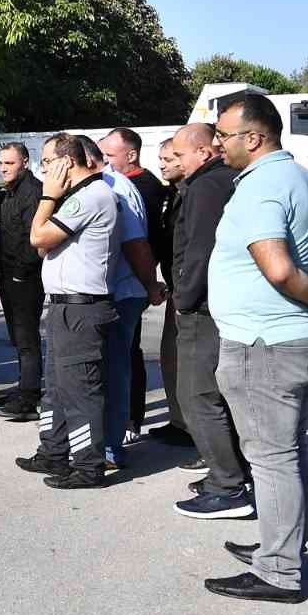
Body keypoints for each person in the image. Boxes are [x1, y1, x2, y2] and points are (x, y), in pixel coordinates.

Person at [203, 94, 308, 604]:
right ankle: (282, 546)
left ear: (254, 138)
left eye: (224, 135)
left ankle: (278, 569)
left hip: (264, 344)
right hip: (288, 340)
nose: (216, 143)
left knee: (272, 457)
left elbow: (277, 268)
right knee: (290, 450)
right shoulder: (303, 179)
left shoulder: (261, 188)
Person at [17, 132, 119, 489]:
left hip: (81, 309)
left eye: (48, 162)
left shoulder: (91, 195)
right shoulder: (76, 198)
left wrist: (48, 196)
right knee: (57, 388)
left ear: (66, 162)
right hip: (64, 306)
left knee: (80, 392)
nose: (44, 169)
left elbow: (38, 239)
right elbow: (44, 244)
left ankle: (88, 466)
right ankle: (54, 452)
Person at [167, 122, 249, 519]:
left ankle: (227, 486)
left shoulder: (204, 187)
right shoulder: (222, 181)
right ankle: (232, 472)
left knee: (198, 397)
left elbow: (199, 249)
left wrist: (183, 299)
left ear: (202, 152)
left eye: (180, 154)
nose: (174, 161)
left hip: (202, 309)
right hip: (215, 304)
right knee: (213, 396)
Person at [84, 135, 164, 469]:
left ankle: (112, 446)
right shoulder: (102, 185)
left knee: (116, 369)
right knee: (105, 369)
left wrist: (149, 285)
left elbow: (137, 244)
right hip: (108, 292)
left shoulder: (115, 187)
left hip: (121, 293)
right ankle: (100, 441)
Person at [101, 128, 171, 441]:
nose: (104, 163)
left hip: (133, 283)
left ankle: (130, 419)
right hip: (117, 282)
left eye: (109, 156)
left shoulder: (145, 187)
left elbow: (148, 241)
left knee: (128, 352)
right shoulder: (113, 182)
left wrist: (147, 280)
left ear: (131, 155)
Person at [0, 143, 45, 421]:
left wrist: (20, 272)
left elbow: (33, 239)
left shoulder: (32, 192)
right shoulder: (10, 192)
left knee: (26, 337)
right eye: (2, 163)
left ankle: (30, 394)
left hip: (24, 276)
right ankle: (25, 385)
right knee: (17, 335)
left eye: (10, 163)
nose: (4, 168)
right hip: (8, 273)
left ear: (24, 162)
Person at [152, 139, 193, 447]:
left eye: (170, 158)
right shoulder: (170, 194)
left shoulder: (198, 193)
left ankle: (199, 432)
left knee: (193, 367)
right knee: (171, 359)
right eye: (161, 158)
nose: (163, 164)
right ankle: (179, 421)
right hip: (174, 289)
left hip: (191, 293)